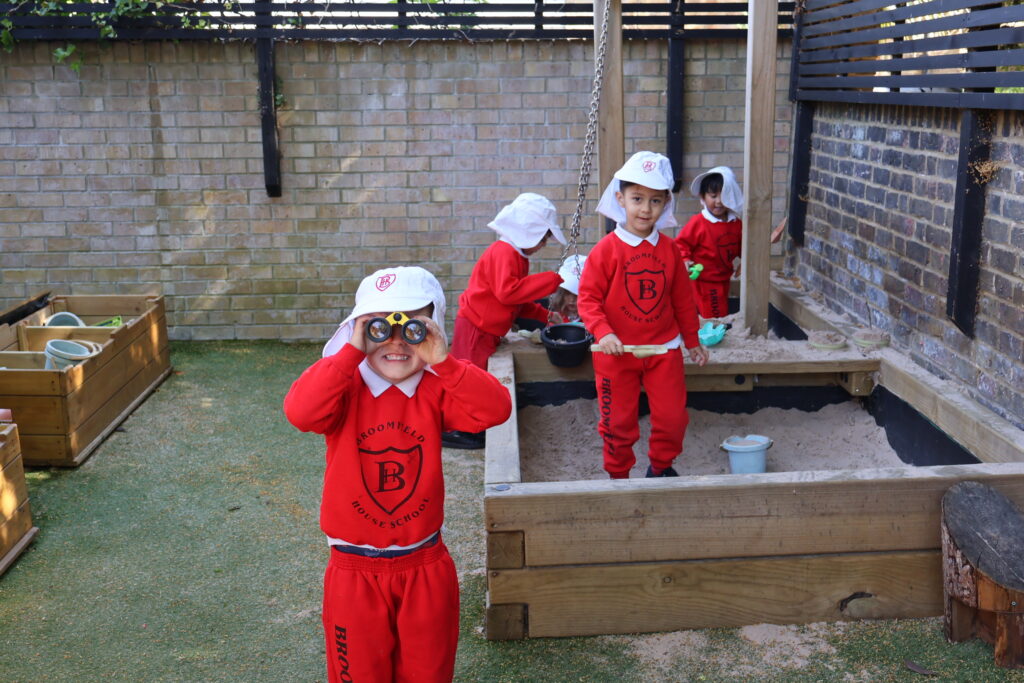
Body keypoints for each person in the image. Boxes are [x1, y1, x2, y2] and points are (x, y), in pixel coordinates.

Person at [283, 266, 511, 683]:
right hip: (353, 569)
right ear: (357, 329)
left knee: (428, 673)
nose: (395, 341)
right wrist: (350, 352)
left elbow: (495, 409)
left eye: (413, 328)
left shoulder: (435, 386)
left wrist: (444, 362)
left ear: (434, 329)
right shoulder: (344, 386)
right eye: (378, 326)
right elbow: (301, 412)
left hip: (424, 563)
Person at [577, 151, 709, 479]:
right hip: (615, 352)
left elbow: (682, 300)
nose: (645, 209)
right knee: (617, 422)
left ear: (666, 204)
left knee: (672, 417)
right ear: (620, 199)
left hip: (663, 349)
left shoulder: (670, 250)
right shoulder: (605, 250)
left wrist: (692, 340)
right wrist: (603, 331)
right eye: (637, 198)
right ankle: (618, 476)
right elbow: (589, 299)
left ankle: (660, 468)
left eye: (655, 200)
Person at [445, 192, 565, 449]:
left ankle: (471, 425)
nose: (544, 244)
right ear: (527, 231)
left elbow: (516, 302)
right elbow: (508, 292)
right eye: (543, 237)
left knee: (479, 376)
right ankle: (465, 430)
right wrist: (552, 279)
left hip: (486, 328)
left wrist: (546, 316)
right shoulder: (504, 252)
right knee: (470, 376)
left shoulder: (517, 256)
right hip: (476, 327)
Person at [674, 165, 745, 319]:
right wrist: (685, 260)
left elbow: (743, 247)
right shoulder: (699, 222)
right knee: (713, 313)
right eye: (713, 196)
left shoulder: (736, 224)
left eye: (724, 196)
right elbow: (681, 244)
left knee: (720, 308)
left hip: (723, 277)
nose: (718, 202)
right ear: (703, 197)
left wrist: (745, 262)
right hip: (704, 278)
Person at [547, 254, 587, 323]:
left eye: (576, 295)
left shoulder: (591, 319)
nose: (572, 300)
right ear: (561, 294)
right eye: (567, 293)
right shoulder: (557, 317)